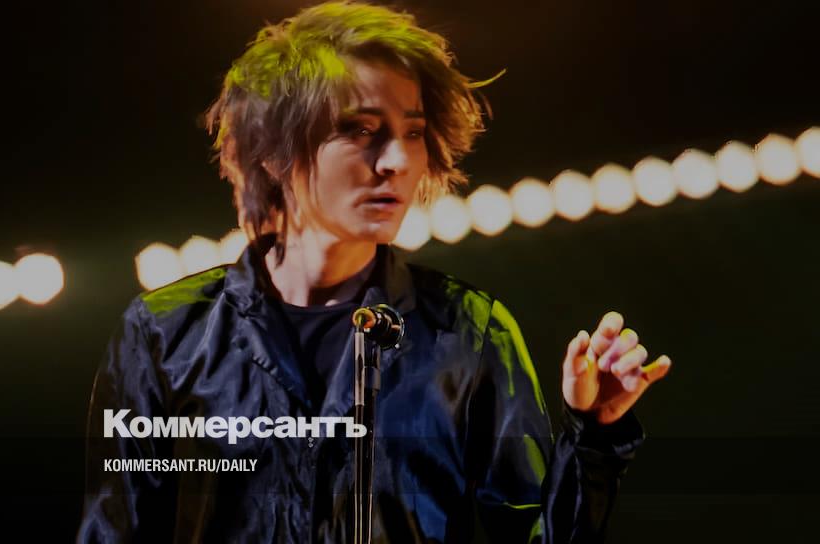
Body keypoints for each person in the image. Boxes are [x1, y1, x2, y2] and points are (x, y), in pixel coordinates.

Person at [77, 2, 672, 542]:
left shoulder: (469, 335)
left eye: (413, 133)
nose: (396, 161)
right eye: (360, 129)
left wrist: (593, 437)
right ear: (274, 151)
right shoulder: (164, 336)